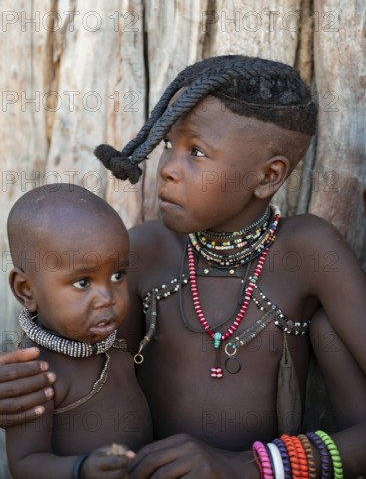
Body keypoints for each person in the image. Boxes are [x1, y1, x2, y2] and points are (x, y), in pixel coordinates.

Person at [1, 55, 366, 478]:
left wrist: (244, 467)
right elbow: (76, 360)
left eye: (196, 151)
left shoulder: (307, 251)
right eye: (169, 145)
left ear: (268, 177)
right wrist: (21, 390)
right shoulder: (142, 253)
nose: (169, 169)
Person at [4, 184, 152, 479]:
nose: (107, 297)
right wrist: (80, 469)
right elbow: (25, 462)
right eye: (83, 282)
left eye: (117, 275)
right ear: (26, 290)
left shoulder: (117, 340)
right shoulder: (36, 374)